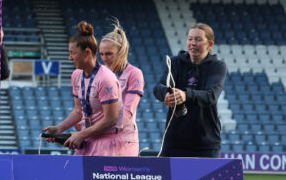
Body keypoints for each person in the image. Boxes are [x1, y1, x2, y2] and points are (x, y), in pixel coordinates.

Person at [42, 22, 123, 155]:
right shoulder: (76, 75)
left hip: (107, 145)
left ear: (87, 52)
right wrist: (59, 128)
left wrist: (81, 134)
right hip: (87, 140)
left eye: (73, 53)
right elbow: (78, 111)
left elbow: (111, 119)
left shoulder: (106, 79)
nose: (70, 58)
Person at [152, 23, 227, 158]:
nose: (193, 43)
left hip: (206, 144)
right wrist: (166, 95)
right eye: (190, 39)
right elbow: (158, 87)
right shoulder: (175, 62)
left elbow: (211, 96)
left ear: (210, 44)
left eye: (198, 39)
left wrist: (185, 95)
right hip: (174, 141)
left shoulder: (217, 66)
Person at [98, 22, 144, 156]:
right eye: (101, 54)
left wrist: (96, 128)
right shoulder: (99, 74)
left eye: (109, 54)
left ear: (121, 52)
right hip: (100, 136)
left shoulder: (134, 73)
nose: (104, 59)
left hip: (124, 139)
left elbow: (128, 112)